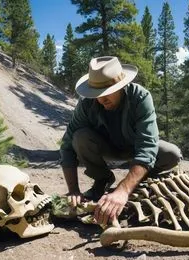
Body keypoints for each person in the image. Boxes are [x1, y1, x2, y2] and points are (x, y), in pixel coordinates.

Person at [60, 56, 182, 225]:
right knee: (80, 137)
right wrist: (73, 190)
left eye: (107, 93)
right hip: (106, 147)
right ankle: (102, 179)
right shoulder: (86, 104)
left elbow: (147, 147)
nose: (101, 100)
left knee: (171, 154)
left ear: (121, 86)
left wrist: (123, 190)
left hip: (135, 149)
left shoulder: (140, 97)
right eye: (96, 94)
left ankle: (141, 180)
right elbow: (67, 146)